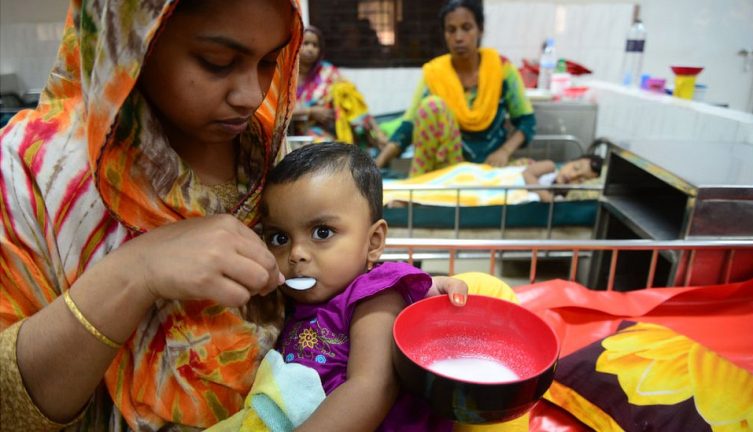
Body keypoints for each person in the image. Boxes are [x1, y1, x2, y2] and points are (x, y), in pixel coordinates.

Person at [0, 1, 466, 430]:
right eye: (217, 62)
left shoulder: (263, 148)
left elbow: (337, 277)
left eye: (270, 61)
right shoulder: (37, 170)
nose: (250, 95)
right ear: (134, 38)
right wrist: (135, 273)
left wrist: (407, 292)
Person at [259, 142, 454, 431]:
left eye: (322, 232)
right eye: (279, 238)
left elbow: (372, 386)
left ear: (373, 242)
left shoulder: (375, 295)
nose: (296, 253)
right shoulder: (285, 299)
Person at [375, 0, 537, 177]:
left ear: (480, 30)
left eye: (466, 28)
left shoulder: (501, 69)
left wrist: (505, 152)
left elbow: (526, 121)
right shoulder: (436, 73)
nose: (459, 37)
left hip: (491, 165)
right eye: (451, 30)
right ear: (445, 35)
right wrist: (376, 165)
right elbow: (409, 126)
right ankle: (418, 189)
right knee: (431, 106)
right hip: (449, 167)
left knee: (539, 172)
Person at [291, 26, 387, 152]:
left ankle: (375, 134)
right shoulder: (288, 77)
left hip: (328, 129)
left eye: (315, 45)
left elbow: (354, 100)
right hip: (296, 133)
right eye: (306, 43)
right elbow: (279, 112)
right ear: (296, 45)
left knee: (345, 91)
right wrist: (311, 111)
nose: (311, 49)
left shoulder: (328, 72)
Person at [522, 155, 604, 202]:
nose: (572, 175)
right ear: (568, 162)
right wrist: (547, 198)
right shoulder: (550, 168)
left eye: (580, 180)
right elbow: (527, 173)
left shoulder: (564, 199)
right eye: (576, 168)